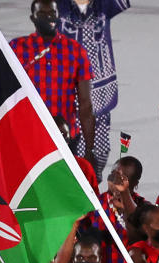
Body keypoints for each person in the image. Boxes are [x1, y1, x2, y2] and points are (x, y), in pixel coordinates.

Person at [0, 0, 97, 167]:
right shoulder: (15, 48)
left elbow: (86, 105)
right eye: (42, 14)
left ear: (59, 15)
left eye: (52, 13)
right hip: (24, 139)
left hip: (64, 139)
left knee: (59, 193)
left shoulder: (76, 51)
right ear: (32, 18)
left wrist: (89, 150)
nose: (49, 17)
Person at [56, 0, 131, 178]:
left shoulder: (104, 5)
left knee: (101, 150)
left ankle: (92, 181)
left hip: (99, 88)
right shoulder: (58, 5)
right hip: (67, 87)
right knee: (71, 148)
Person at [86, 156, 145, 263]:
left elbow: (139, 239)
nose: (116, 182)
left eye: (123, 179)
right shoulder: (93, 205)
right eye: (113, 175)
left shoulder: (144, 208)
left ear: (135, 183)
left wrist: (125, 201)